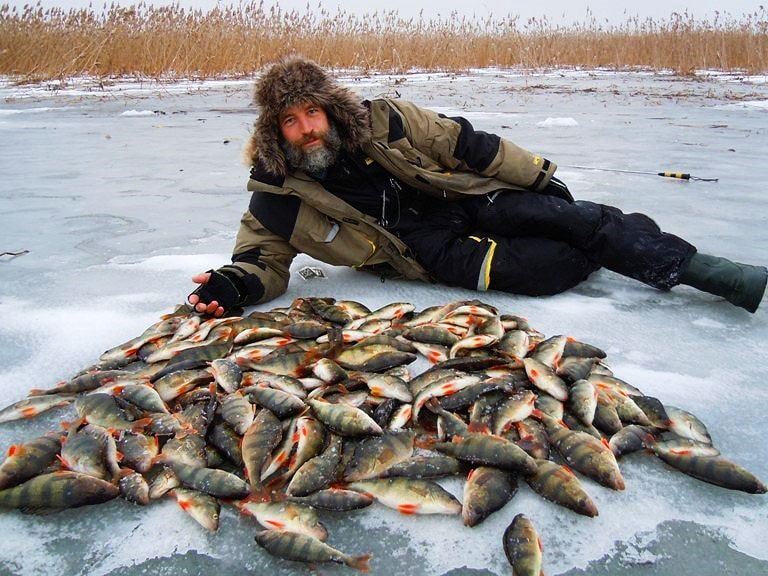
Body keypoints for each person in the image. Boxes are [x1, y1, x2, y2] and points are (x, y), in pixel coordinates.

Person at [188, 55, 767, 317]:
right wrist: (233, 285)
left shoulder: (384, 119)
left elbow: (467, 144)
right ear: (276, 132)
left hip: (467, 195)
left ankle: (714, 274)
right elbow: (261, 257)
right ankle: (611, 239)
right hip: (428, 251)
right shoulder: (274, 198)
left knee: (577, 217)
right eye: (290, 122)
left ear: (329, 111)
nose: (306, 130)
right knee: (551, 268)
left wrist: (539, 177)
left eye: (310, 114)